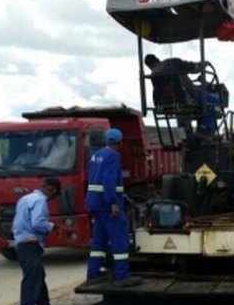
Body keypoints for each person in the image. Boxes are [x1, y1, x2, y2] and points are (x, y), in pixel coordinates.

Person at [84, 128, 142, 288]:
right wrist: (113, 203)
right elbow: (108, 181)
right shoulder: (114, 156)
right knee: (119, 238)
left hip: (94, 202)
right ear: (120, 142)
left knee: (99, 240)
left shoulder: (97, 155)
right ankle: (121, 276)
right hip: (107, 204)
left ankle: (93, 274)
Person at [12, 177, 62, 305]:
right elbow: (38, 223)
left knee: (39, 273)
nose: (52, 198)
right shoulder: (40, 201)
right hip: (29, 243)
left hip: (21, 241)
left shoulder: (25, 198)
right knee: (32, 277)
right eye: (54, 194)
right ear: (51, 190)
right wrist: (53, 226)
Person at [144, 53, 220, 133]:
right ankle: (205, 129)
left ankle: (183, 130)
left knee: (180, 105)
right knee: (214, 100)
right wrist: (203, 64)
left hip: (167, 102)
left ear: (148, 66)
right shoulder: (171, 63)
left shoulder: (154, 74)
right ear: (158, 58)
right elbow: (193, 68)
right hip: (188, 94)